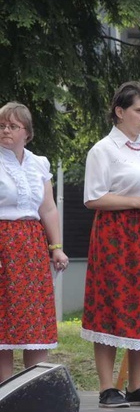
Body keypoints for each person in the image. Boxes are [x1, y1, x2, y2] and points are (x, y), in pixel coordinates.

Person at [81, 82, 140, 408]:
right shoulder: (103, 150)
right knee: (112, 305)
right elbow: (93, 197)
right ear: (120, 112)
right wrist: (136, 202)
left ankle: (137, 385)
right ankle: (108, 387)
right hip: (118, 235)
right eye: (138, 110)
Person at [0, 102, 68, 382]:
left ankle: (33, 394)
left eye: (13, 126)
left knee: (34, 322)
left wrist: (57, 247)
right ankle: (3, 395)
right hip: (3, 245)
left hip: (31, 246)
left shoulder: (39, 163)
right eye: (2, 125)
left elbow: (48, 208)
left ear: (27, 132)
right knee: (3, 322)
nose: (6, 130)